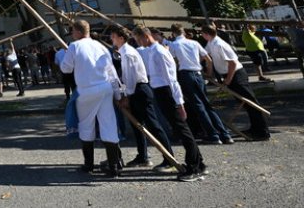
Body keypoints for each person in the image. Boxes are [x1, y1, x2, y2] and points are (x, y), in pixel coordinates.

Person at [133, 26, 206, 181]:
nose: (138, 43)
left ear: (146, 36)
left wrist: (179, 103)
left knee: (182, 129)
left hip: (167, 92)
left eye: (139, 39)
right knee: (179, 128)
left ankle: (194, 166)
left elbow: (171, 79)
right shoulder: (152, 51)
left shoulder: (159, 52)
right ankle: (199, 162)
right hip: (160, 91)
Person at [59, 20, 123, 177]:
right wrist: (118, 94)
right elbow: (111, 72)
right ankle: (114, 166)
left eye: (73, 31)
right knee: (108, 124)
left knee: (86, 125)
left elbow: (65, 69)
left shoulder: (74, 46)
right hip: (105, 88)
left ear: (78, 31)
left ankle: (89, 165)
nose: (72, 34)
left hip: (87, 91)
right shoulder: (100, 46)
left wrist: (68, 55)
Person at [110, 26, 175, 171]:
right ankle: (142, 156)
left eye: (113, 37)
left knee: (153, 125)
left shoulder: (128, 53)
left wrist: (126, 95)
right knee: (137, 125)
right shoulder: (124, 52)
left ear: (121, 38)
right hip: (135, 90)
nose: (111, 39)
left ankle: (169, 158)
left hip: (139, 90)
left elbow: (131, 77)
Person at [167, 23, 233, 145]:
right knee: (207, 104)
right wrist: (209, 73)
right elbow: (208, 60)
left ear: (173, 33)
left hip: (186, 74)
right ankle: (225, 134)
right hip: (198, 73)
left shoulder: (174, 45)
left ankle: (213, 135)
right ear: (183, 32)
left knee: (199, 106)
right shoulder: (194, 43)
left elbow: (173, 62)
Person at [202, 25, 270, 140]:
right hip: (229, 74)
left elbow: (232, 63)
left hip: (236, 74)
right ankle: (254, 128)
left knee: (251, 102)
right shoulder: (211, 43)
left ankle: (263, 132)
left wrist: (228, 79)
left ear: (206, 34)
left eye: (202, 33)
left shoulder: (219, 44)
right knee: (245, 104)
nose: (202, 35)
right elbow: (205, 56)